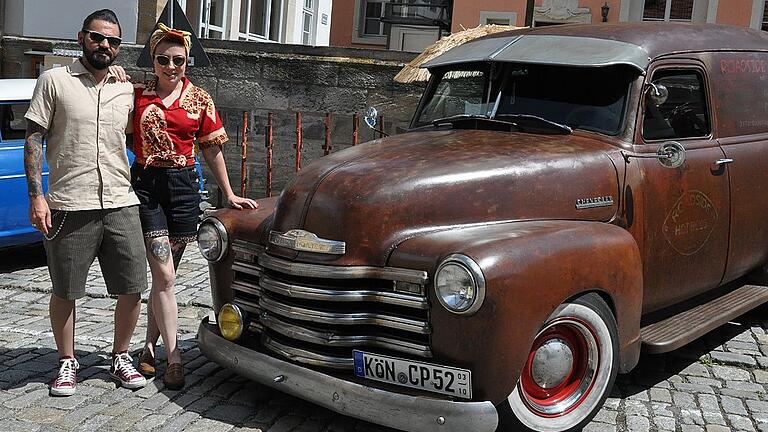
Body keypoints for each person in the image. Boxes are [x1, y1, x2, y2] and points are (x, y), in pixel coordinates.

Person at [24, 9, 148, 396]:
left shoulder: (126, 88)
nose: (105, 46)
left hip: (120, 201)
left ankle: (120, 355)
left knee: (133, 286)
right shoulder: (53, 81)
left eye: (113, 41)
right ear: (81, 38)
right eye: (97, 38)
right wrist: (36, 196)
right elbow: (33, 139)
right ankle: (67, 360)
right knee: (65, 289)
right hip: (68, 202)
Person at [130, 23, 257, 390]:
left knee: (163, 279)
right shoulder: (135, 95)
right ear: (153, 61)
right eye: (164, 59)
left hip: (185, 189)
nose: (171, 66)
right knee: (166, 277)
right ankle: (175, 358)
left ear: (187, 62)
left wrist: (229, 194)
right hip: (148, 188)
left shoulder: (200, 98)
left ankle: (149, 347)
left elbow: (212, 148)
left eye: (179, 60)